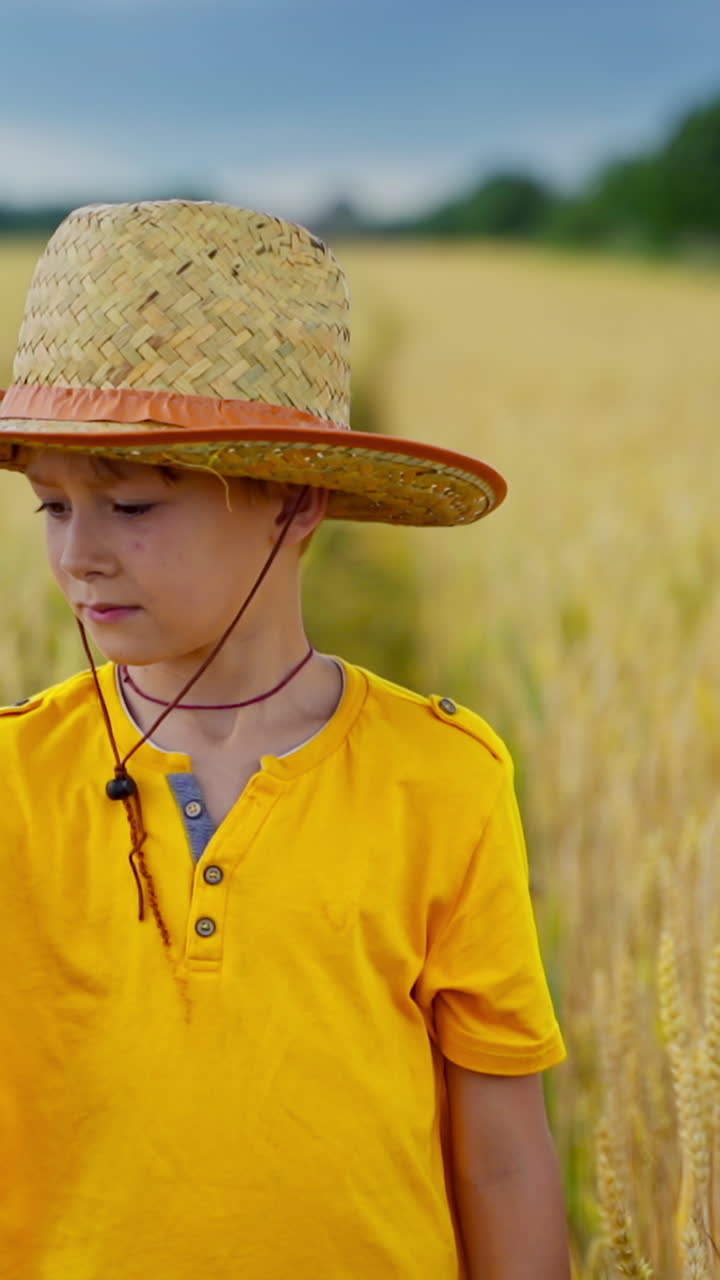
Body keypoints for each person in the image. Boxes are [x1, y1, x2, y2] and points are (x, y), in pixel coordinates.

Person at [0, 200, 568, 1279]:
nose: (80, 556)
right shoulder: (12, 779)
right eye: (51, 507)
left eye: (129, 505)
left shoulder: (441, 775)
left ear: (294, 500)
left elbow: (500, 1151)